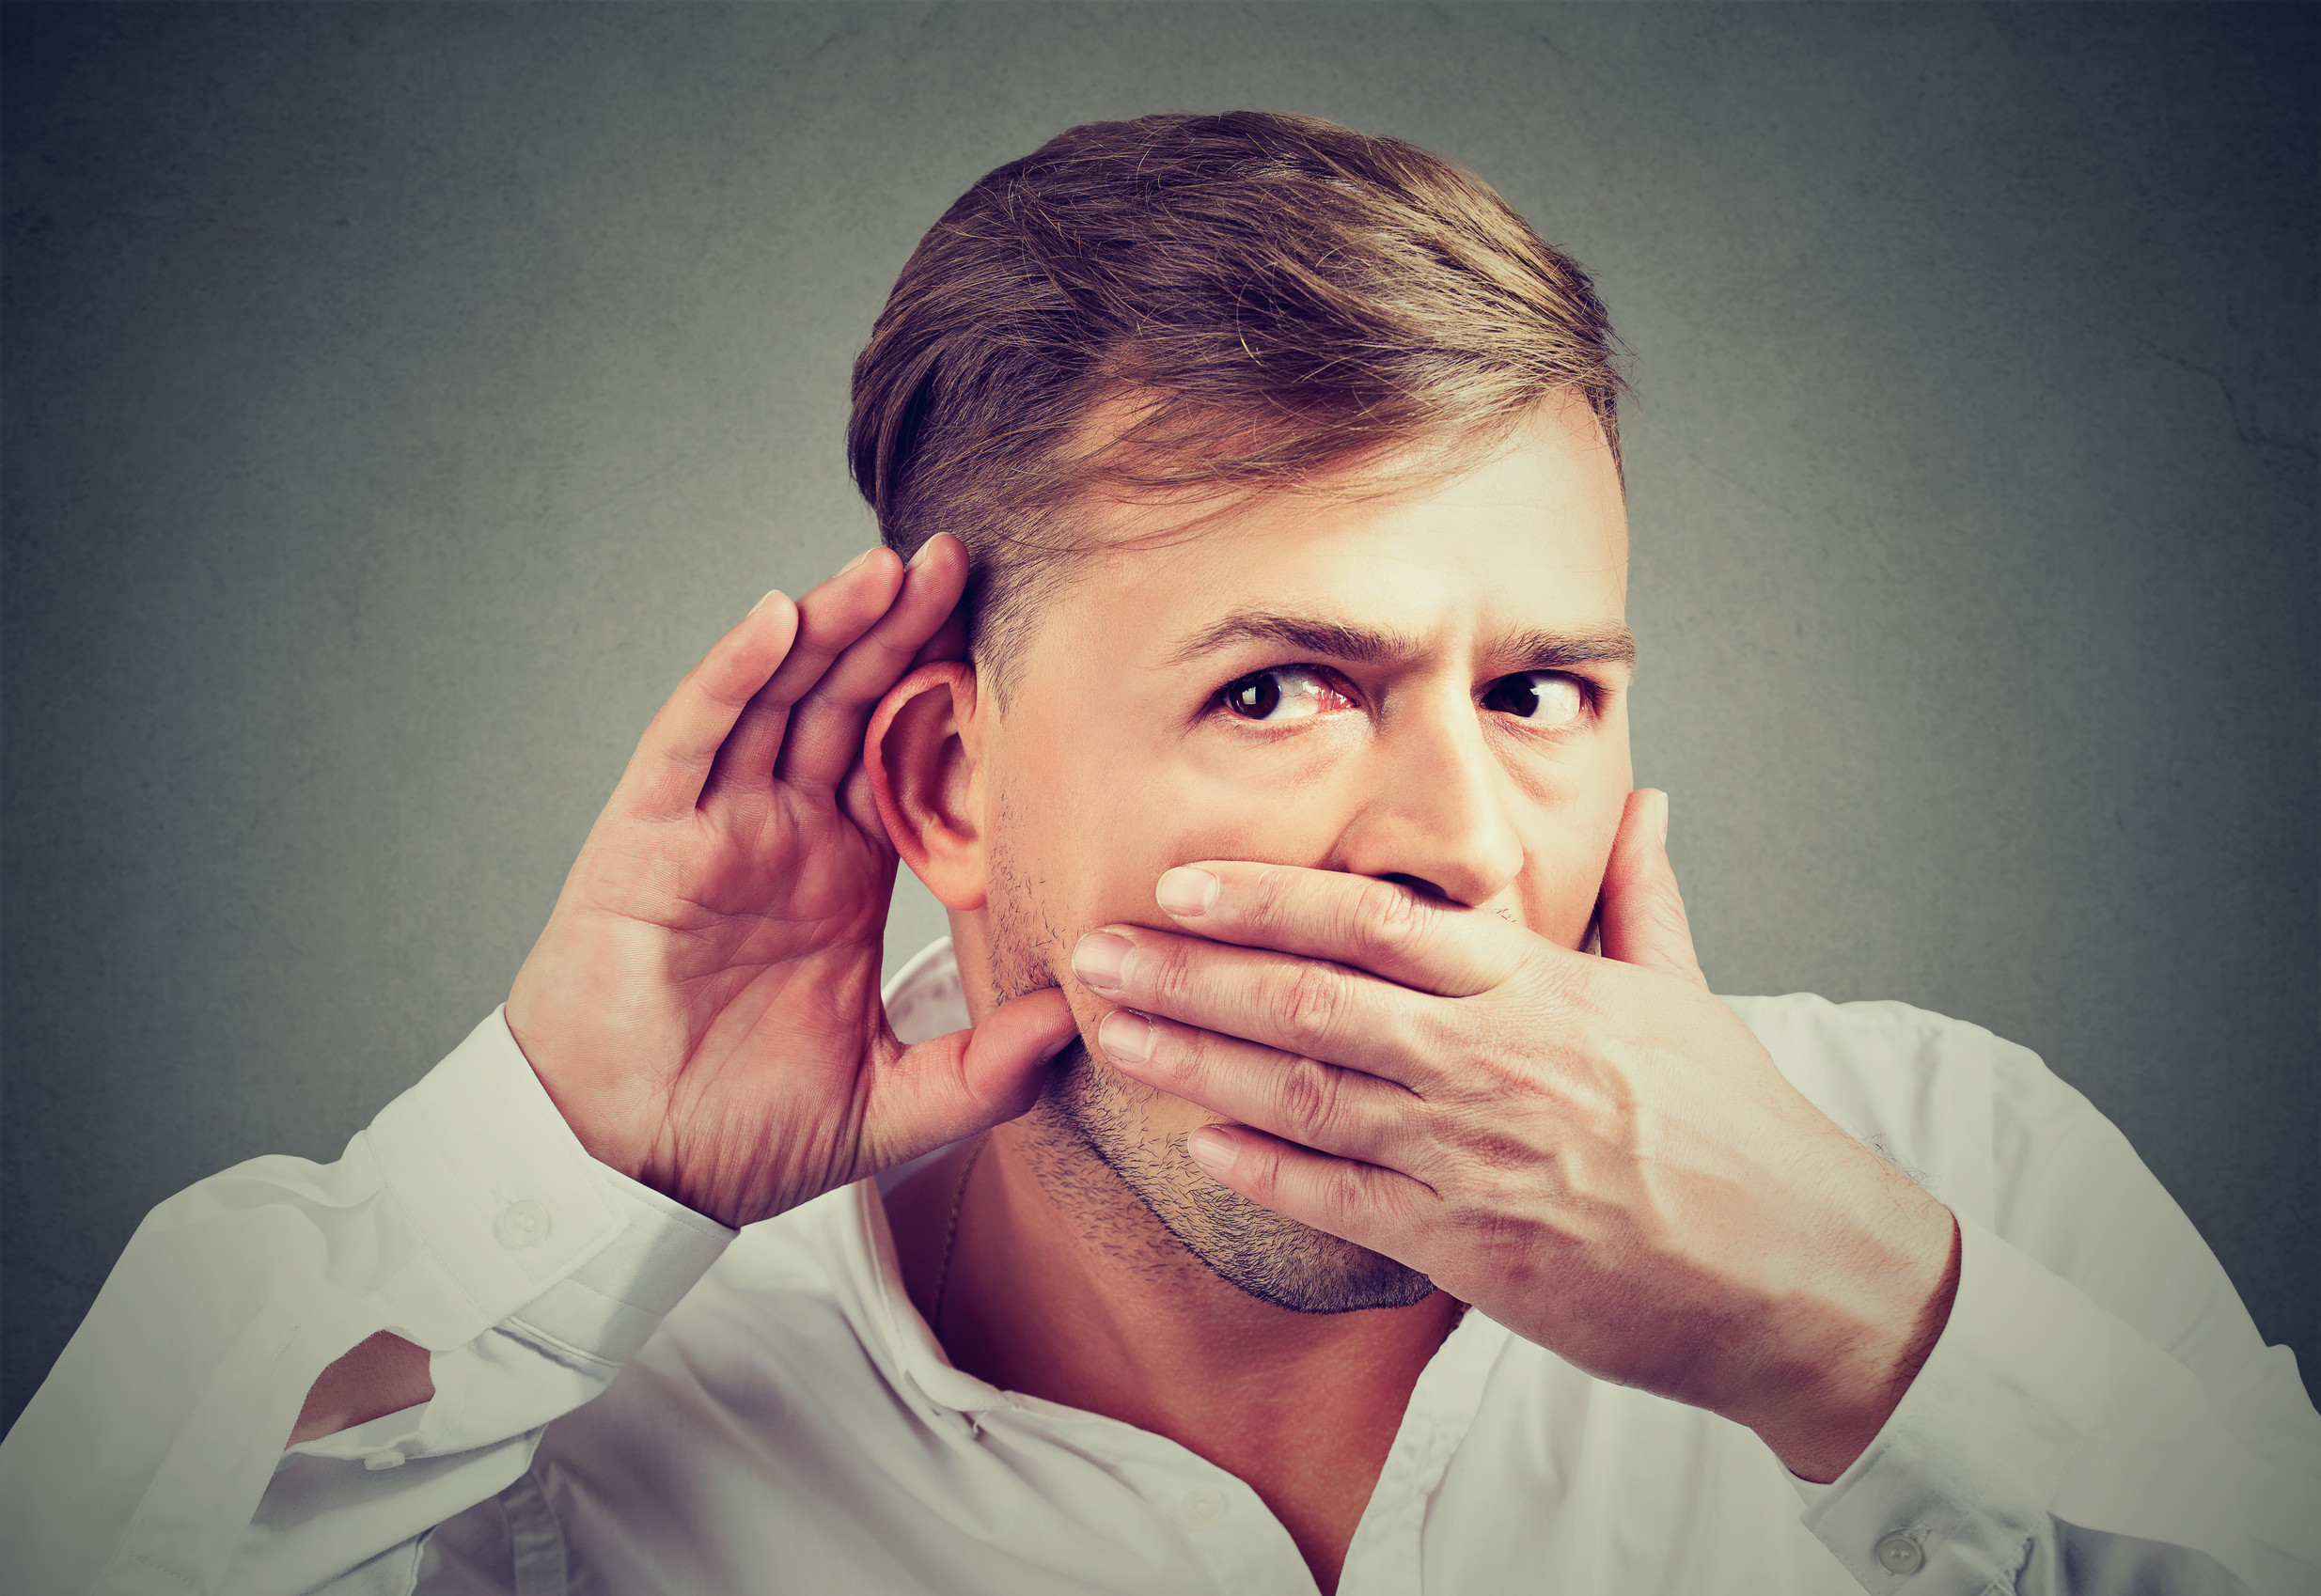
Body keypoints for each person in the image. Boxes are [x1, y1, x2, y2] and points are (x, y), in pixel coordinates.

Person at [3, 111, 2315, 1596]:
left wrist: (1855, 1320)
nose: (1458, 847)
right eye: (1278, 689)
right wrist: (553, 1156)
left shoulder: (1945, 1179)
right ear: (945, 787)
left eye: (1536, 694)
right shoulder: (562, 1424)